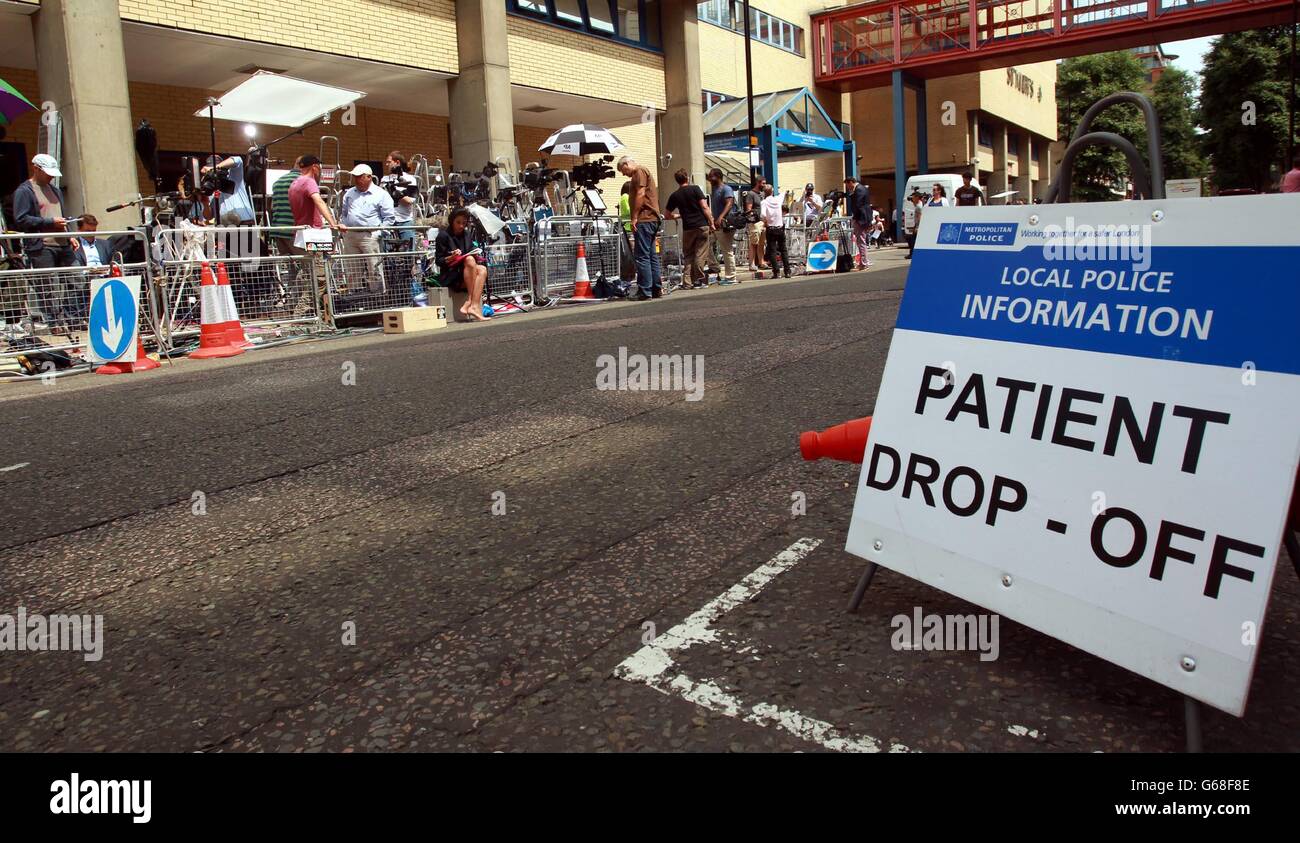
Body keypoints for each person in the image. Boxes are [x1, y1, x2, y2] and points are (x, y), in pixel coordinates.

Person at [12, 154, 74, 331]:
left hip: (63, 243)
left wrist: (70, 235)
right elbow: (21, 219)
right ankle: (54, 323)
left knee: (77, 279)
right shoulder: (25, 191)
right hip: (42, 246)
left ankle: (72, 317)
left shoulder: (56, 191)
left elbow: (60, 217)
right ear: (36, 168)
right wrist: (49, 222)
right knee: (47, 286)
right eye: (47, 173)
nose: (51, 177)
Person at [339, 163, 395, 294]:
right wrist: (344, 228)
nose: (357, 179)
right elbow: (344, 212)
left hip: (370, 235)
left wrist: (379, 233)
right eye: (355, 177)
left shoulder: (381, 194)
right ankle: (355, 295)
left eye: (360, 177)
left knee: (373, 267)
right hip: (351, 234)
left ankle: (378, 295)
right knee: (352, 268)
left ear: (369, 177)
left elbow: (389, 218)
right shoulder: (349, 193)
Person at [616, 155, 662, 300]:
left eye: (623, 170)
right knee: (650, 255)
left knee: (642, 256)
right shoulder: (642, 172)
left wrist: (634, 217)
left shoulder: (639, 171)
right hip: (652, 218)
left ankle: (645, 290)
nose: (624, 174)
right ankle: (655, 289)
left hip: (645, 219)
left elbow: (641, 194)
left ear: (627, 163)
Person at [435, 207, 489, 322]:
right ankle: (471, 301)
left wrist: (475, 254)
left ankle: (473, 305)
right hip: (451, 275)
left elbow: (470, 250)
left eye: (464, 223)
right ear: (452, 221)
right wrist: (451, 257)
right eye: (458, 222)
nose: (461, 226)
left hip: (466, 272)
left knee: (482, 269)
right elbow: (438, 261)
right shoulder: (443, 236)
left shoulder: (467, 234)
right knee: (469, 260)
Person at [665, 169, 713, 290]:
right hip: (701, 225)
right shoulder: (695, 189)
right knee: (700, 253)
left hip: (687, 228)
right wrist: (711, 222)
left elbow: (667, 215)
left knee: (688, 255)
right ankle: (699, 280)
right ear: (687, 177)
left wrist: (678, 215)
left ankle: (687, 282)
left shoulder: (675, 195)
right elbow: (704, 206)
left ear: (677, 181)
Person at [201, 154, 256, 225]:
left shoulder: (234, 177)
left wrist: (214, 168)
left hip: (243, 223)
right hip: (224, 227)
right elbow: (209, 217)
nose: (213, 174)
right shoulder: (211, 189)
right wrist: (205, 203)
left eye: (214, 170)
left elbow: (238, 160)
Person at [381, 151, 421, 248]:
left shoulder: (410, 179)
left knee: (409, 252)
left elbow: (410, 201)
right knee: (386, 253)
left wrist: (394, 193)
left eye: (389, 162)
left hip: (404, 220)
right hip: (388, 220)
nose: (387, 164)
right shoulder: (384, 179)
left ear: (397, 162)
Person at [705, 168, 737, 285]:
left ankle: (731, 277)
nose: (709, 179)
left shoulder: (726, 189)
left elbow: (729, 203)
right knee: (705, 243)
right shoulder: (714, 189)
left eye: (711, 177)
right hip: (716, 225)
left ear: (718, 177)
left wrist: (720, 217)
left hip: (725, 224)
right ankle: (714, 266)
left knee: (726, 250)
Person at [759, 185, 790, 279]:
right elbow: (783, 193)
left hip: (771, 228)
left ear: (764, 193)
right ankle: (787, 272)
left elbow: (762, 214)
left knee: (772, 251)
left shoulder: (764, 202)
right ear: (772, 192)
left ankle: (776, 273)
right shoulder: (778, 199)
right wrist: (785, 191)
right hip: (780, 228)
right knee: (783, 250)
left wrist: (766, 222)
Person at [844, 175, 872, 269]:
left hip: (861, 218)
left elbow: (858, 205)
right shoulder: (862, 188)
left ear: (851, 182)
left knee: (861, 241)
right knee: (861, 240)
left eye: (848, 185)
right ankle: (863, 262)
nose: (848, 188)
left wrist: (855, 217)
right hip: (863, 218)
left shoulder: (859, 190)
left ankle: (863, 263)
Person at [743, 177, 769, 272]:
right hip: (755, 223)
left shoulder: (762, 194)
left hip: (762, 222)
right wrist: (752, 220)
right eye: (763, 183)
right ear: (758, 183)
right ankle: (752, 264)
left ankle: (761, 262)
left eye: (765, 183)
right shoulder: (751, 194)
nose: (764, 185)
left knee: (762, 243)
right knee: (754, 243)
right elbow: (748, 209)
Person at [903, 191, 923, 259]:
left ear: (917, 197)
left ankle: (912, 254)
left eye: (913, 197)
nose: (912, 198)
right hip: (918, 225)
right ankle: (914, 254)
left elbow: (919, 217)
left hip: (918, 225)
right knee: (914, 240)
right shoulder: (920, 204)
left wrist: (917, 227)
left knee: (912, 240)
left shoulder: (919, 207)